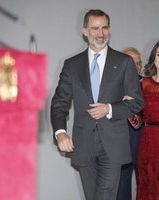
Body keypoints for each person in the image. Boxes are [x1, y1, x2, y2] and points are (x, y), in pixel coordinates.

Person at [50, 9, 144, 200]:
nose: (100, 34)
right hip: (83, 145)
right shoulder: (71, 65)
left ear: (109, 29)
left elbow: (137, 102)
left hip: (113, 145)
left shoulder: (125, 62)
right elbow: (59, 102)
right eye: (95, 28)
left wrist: (109, 109)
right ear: (85, 31)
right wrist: (60, 133)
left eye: (104, 28)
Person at [117, 47, 144, 200]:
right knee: (122, 185)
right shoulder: (113, 87)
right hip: (121, 140)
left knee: (148, 182)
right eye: (133, 62)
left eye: (139, 62)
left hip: (146, 140)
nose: (137, 66)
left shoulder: (147, 84)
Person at [137, 41, 159, 200]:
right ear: (154, 58)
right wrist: (125, 104)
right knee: (149, 181)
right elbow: (136, 119)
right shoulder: (143, 84)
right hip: (150, 141)